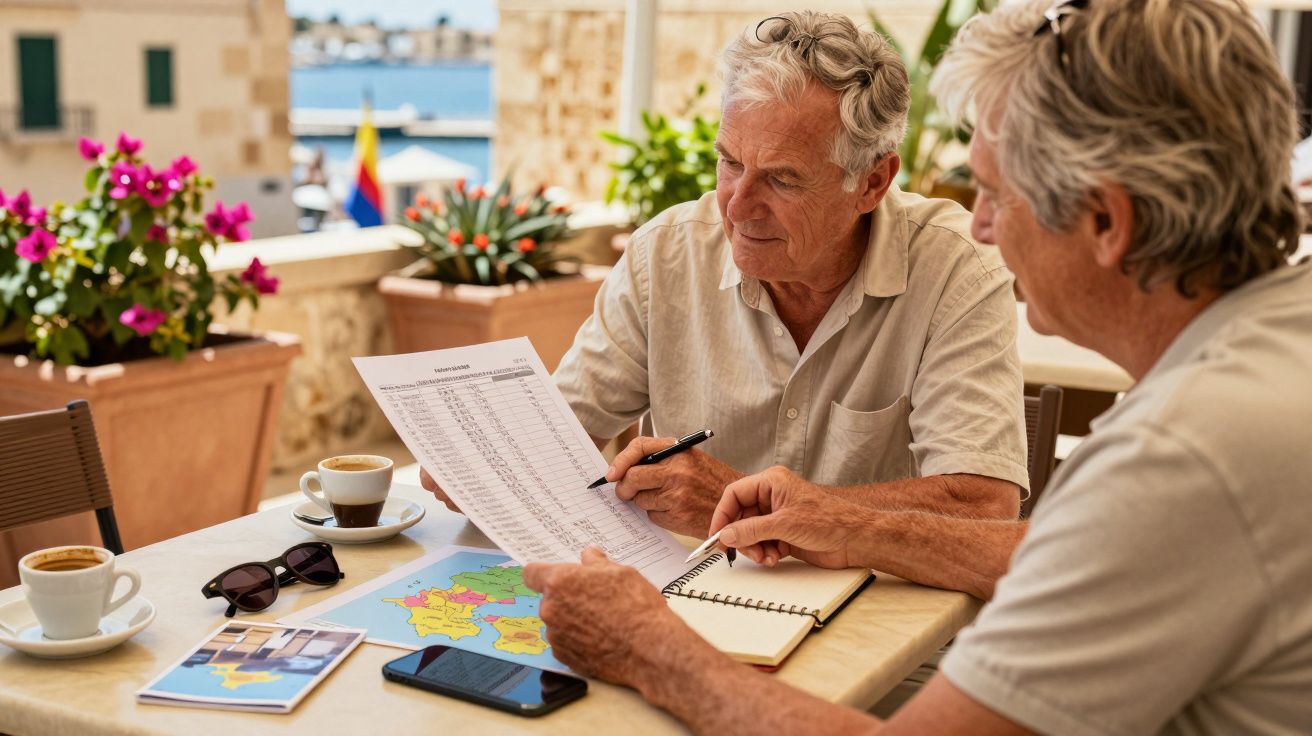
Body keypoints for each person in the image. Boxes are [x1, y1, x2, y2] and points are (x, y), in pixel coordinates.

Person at [523, 0, 1312, 733]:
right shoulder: (1278, 345)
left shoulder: (1181, 457)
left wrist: (648, 646)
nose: (982, 224)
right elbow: (1057, 548)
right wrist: (835, 522)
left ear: (1107, 220)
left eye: (999, 193)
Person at [423, 11, 1030, 534]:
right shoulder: (664, 256)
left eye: (783, 178)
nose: (736, 206)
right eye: (730, 162)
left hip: (884, 619)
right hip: (692, 597)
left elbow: (981, 503)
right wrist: (484, 459)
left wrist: (745, 504)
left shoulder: (957, 269)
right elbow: (562, 433)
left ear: (872, 181)